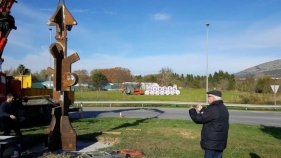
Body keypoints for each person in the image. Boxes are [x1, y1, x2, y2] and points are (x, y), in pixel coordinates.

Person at [189, 90, 229, 158]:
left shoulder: (212, 108)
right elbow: (210, 116)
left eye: (209, 97)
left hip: (212, 144)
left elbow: (199, 119)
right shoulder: (223, 107)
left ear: (214, 98)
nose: (207, 98)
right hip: (220, 143)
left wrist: (192, 111)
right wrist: (202, 109)